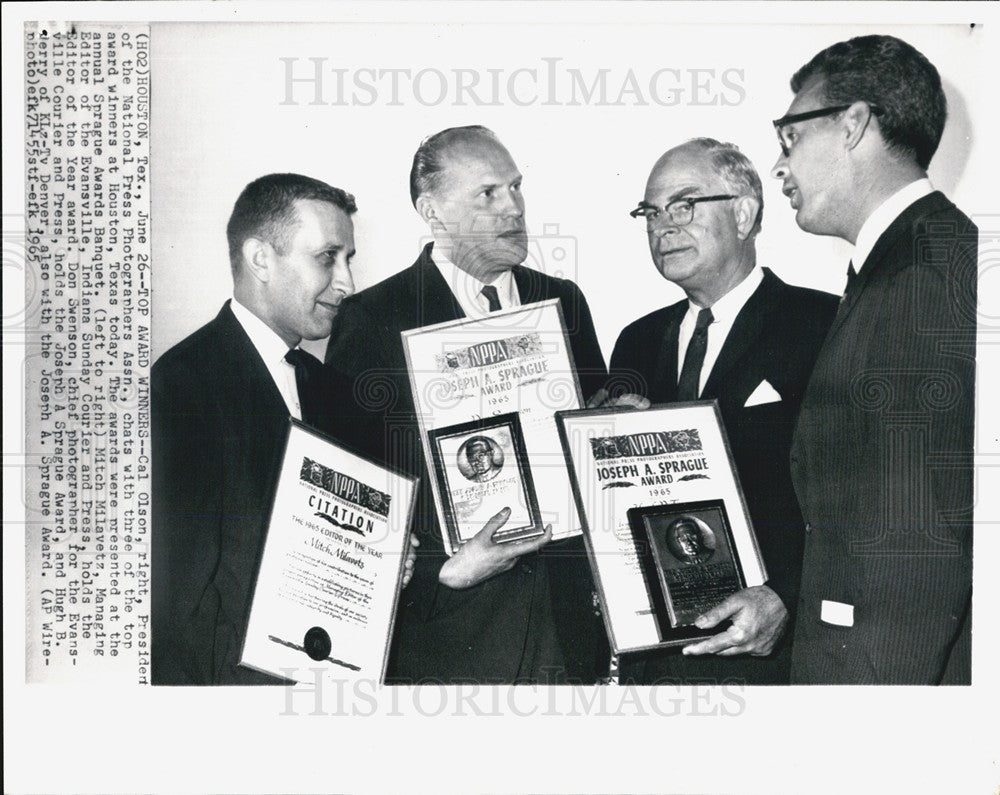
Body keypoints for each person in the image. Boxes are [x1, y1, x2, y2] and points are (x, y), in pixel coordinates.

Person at [326, 126, 609, 683]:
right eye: (489, 194)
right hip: (451, 640)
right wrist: (443, 573)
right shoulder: (373, 319)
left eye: (517, 188)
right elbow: (351, 491)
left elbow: (592, 456)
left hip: (569, 629)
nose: (515, 207)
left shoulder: (564, 300)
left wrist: (614, 421)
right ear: (433, 213)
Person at [151, 174, 416, 684]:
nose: (347, 284)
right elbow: (175, 607)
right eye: (327, 257)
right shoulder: (182, 385)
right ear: (260, 259)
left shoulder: (331, 389)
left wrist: (384, 562)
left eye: (349, 260)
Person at [770, 35, 976, 684]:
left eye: (790, 137)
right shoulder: (920, 258)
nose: (782, 167)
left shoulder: (918, 280)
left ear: (854, 123)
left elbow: (913, 556)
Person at [609, 139, 838, 684]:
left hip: (768, 651)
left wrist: (785, 593)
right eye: (651, 212)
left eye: (684, 205)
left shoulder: (823, 325)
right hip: (654, 660)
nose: (663, 226)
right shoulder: (635, 343)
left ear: (744, 213)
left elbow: (856, 493)